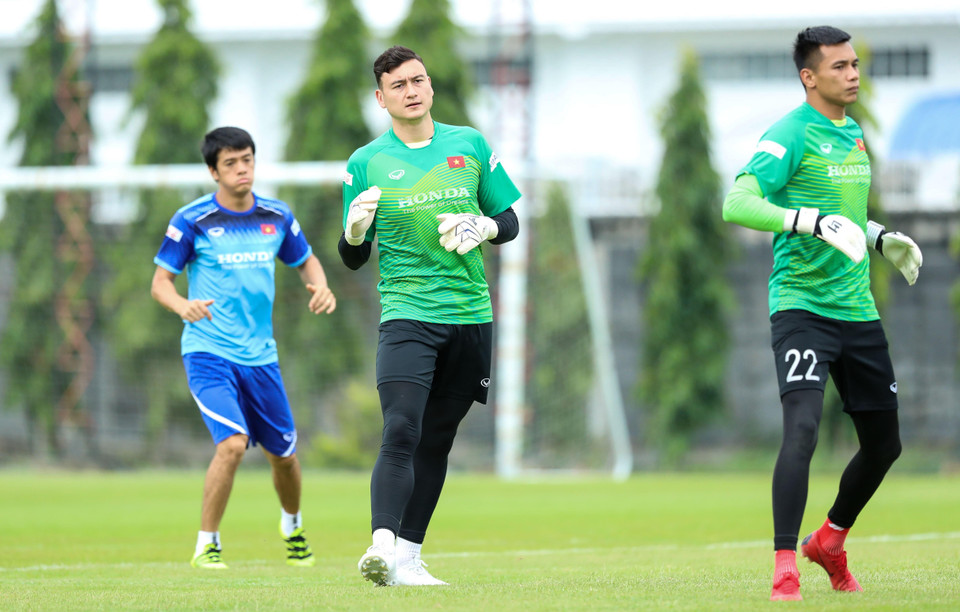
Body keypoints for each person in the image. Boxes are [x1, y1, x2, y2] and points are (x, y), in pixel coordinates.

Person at [722, 26, 923, 601]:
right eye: (839, 66)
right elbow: (737, 200)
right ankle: (785, 563)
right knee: (804, 430)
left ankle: (829, 540)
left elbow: (843, 216)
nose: (853, 73)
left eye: (855, 63)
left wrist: (881, 236)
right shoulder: (789, 133)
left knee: (886, 444)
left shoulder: (854, 131)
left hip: (857, 309)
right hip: (802, 308)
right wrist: (805, 221)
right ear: (809, 77)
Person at [339, 45, 521, 587]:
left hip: (470, 315)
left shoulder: (469, 144)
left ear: (431, 86)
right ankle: (381, 546)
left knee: (438, 438)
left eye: (418, 80)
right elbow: (352, 256)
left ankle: (410, 560)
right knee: (401, 426)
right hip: (407, 315)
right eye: (399, 85)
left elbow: (509, 218)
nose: (411, 90)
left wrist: (484, 227)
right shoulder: (365, 161)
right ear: (381, 97)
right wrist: (352, 231)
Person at [151, 126, 337, 569]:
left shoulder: (276, 214)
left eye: (247, 159)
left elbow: (305, 259)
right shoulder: (192, 219)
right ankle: (206, 544)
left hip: (261, 358)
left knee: (285, 458)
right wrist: (183, 305)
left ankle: (292, 526)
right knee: (232, 445)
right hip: (208, 351)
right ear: (213, 170)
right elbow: (160, 283)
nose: (242, 169)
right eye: (231, 163)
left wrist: (321, 286)